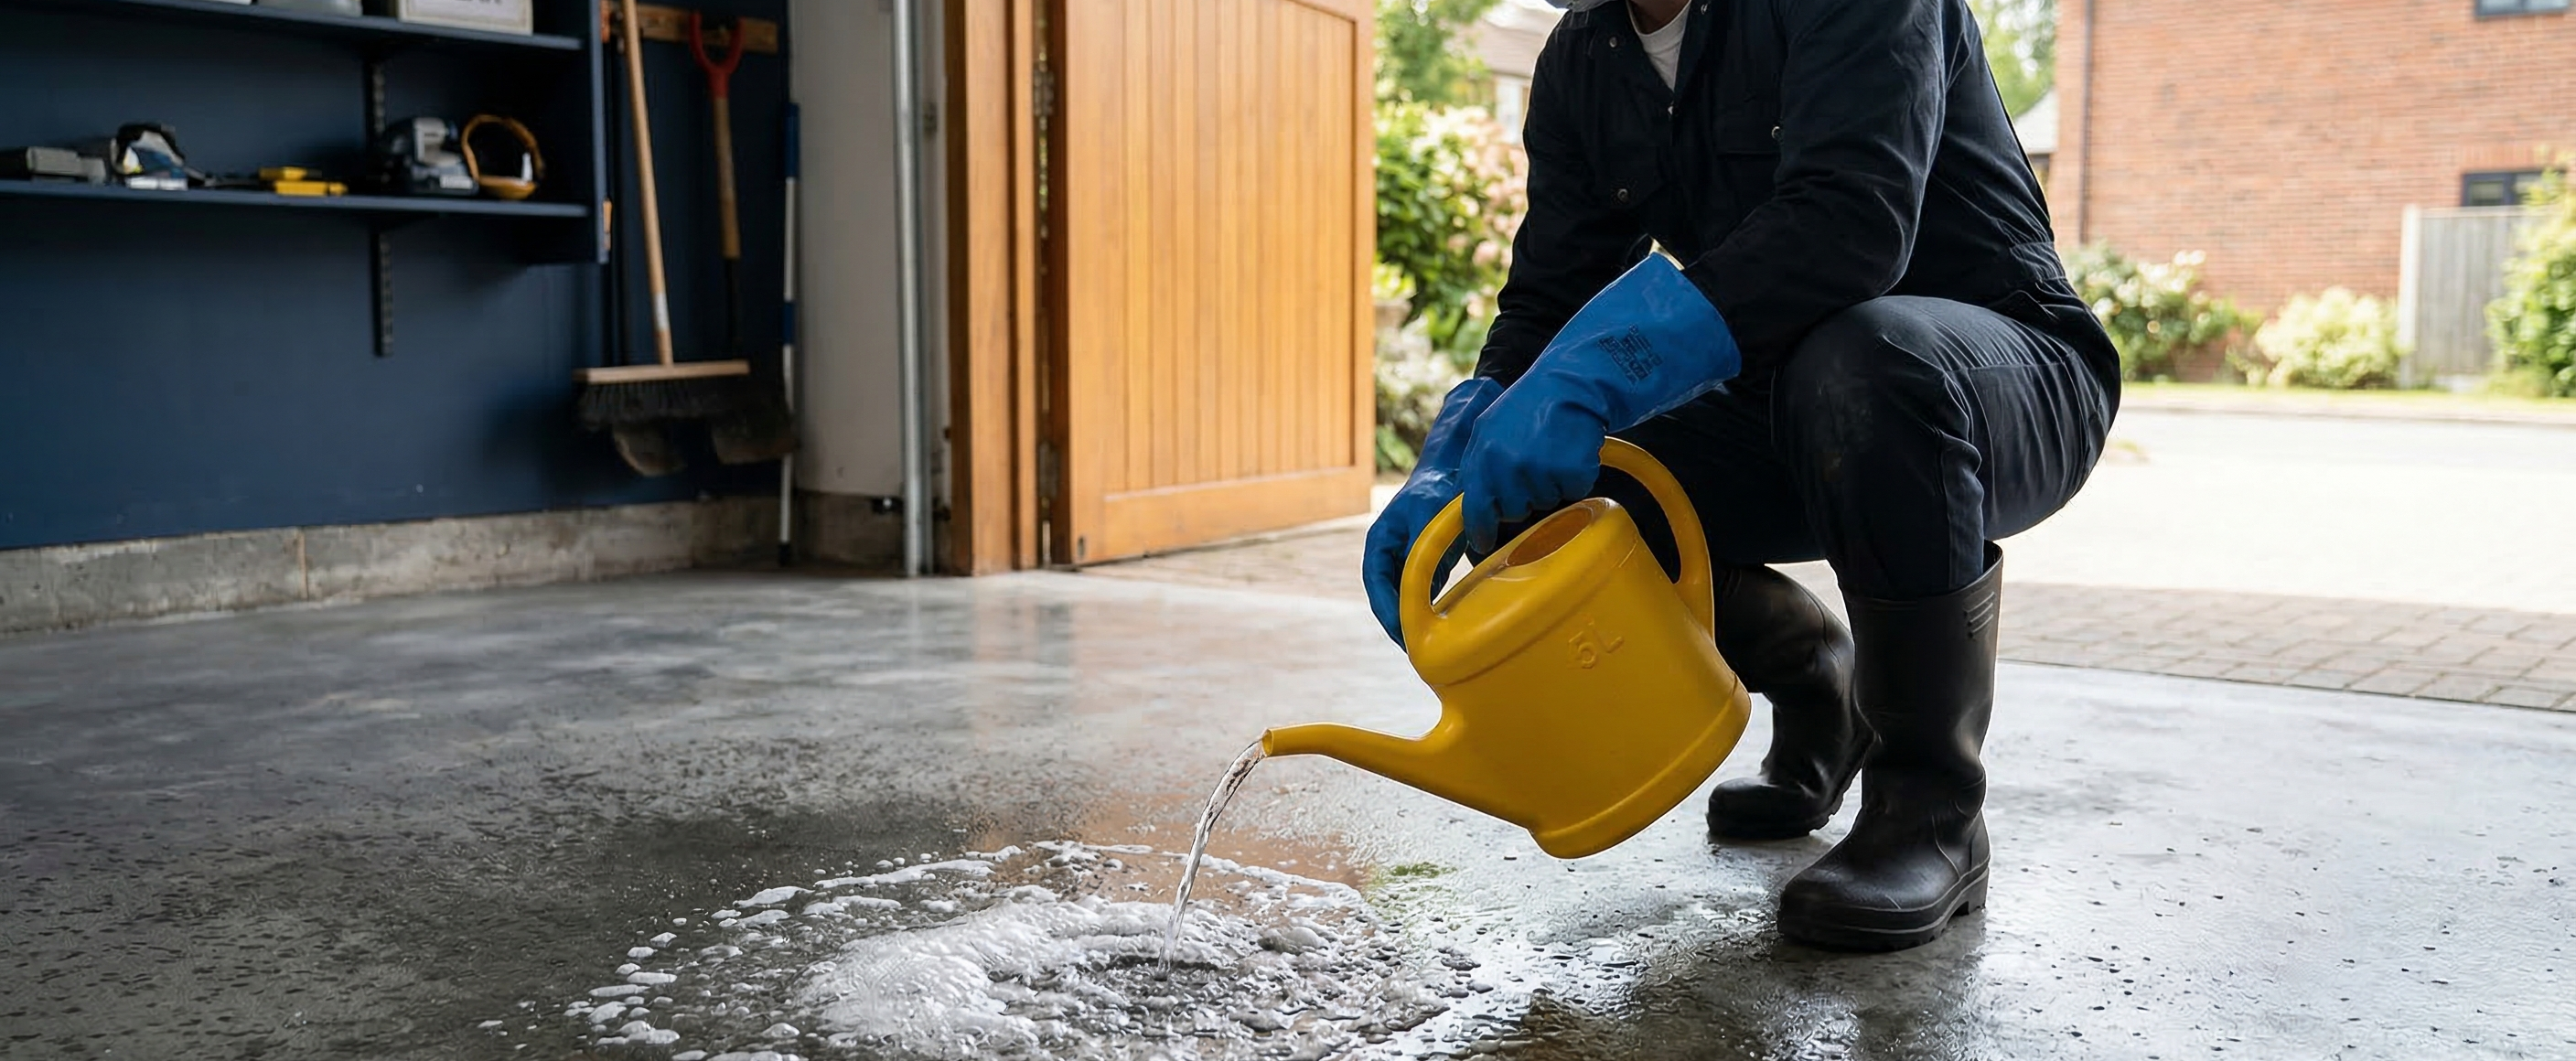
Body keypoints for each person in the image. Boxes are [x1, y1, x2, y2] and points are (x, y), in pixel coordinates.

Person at [1361, 0, 2120, 952]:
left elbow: (1850, 224)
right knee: (1577, 497)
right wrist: (1457, 451)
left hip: (1994, 377)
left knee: (1864, 360)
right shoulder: (1580, 60)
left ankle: (1928, 811)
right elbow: (1547, 292)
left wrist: (1597, 369)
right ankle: (1815, 683)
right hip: (1786, 396)